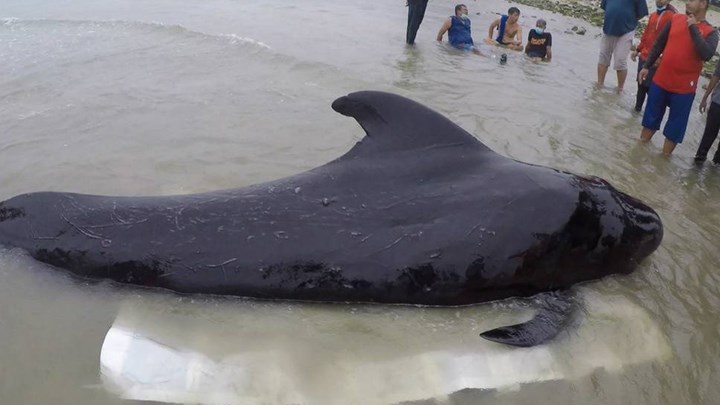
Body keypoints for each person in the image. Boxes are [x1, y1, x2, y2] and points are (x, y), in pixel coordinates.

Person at [638, 0, 719, 156]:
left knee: (674, 130)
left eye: (691, 0)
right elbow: (659, 44)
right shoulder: (675, 19)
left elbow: (706, 54)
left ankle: (663, 161)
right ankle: (639, 156)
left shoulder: (711, 32)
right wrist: (646, 66)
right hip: (660, 81)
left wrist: (693, 27)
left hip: (683, 90)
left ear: (703, 4)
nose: (687, 2)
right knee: (649, 121)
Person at [630, 0, 677, 111]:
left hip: (655, 60)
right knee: (640, 86)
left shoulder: (672, 16)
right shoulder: (653, 15)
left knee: (651, 89)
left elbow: (671, 40)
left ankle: (649, 116)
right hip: (644, 56)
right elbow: (646, 34)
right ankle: (636, 113)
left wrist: (661, 57)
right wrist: (638, 50)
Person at [597, 0, 648, 92]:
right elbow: (605, 6)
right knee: (603, 57)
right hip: (608, 27)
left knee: (620, 61)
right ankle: (599, 86)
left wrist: (629, 19)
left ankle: (620, 89)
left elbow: (642, 13)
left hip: (627, 30)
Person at [694, 62, 720, 164]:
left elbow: (716, 76)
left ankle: (696, 169)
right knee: (708, 136)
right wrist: (704, 98)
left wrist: (705, 98)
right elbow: (716, 76)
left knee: (708, 136)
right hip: (717, 103)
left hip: (717, 103)